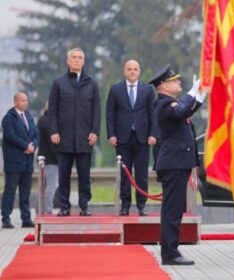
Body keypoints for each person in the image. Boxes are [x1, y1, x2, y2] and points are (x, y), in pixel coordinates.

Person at [149, 65, 206, 265]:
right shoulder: (164, 105)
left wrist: (196, 95)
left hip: (176, 163)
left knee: (174, 209)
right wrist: (195, 94)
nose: (179, 83)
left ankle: (171, 251)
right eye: (175, 81)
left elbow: (183, 109)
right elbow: (182, 110)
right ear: (164, 86)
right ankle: (170, 253)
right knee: (172, 210)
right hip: (173, 163)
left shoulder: (170, 103)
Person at [48, 47, 101, 217]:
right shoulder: (58, 82)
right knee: (64, 176)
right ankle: (64, 206)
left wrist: (95, 131)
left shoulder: (92, 83)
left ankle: (84, 205)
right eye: (74, 57)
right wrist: (54, 131)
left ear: (84, 61)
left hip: (85, 138)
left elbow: (96, 110)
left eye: (80, 57)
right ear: (68, 61)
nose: (77, 60)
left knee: (84, 177)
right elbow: (53, 109)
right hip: (63, 138)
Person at [106, 60, 158, 216]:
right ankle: (125, 205)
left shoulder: (148, 89)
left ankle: (142, 205)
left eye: (135, 69)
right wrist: (111, 134)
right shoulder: (115, 89)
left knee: (142, 173)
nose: (132, 72)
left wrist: (153, 134)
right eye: (129, 69)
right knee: (124, 174)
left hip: (142, 138)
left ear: (139, 71)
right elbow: (110, 114)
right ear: (124, 71)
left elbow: (153, 114)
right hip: (122, 138)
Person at [1, 92, 39, 228]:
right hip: (14, 163)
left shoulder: (28, 117)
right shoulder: (8, 118)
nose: (26, 103)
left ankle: (26, 219)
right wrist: (26, 146)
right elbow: (10, 137)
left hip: (27, 163)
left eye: (26, 100)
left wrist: (34, 145)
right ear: (16, 102)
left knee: (25, 193)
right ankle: (5, 219)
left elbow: (36, 134)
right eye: (23, 101)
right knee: (10, 192)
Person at [37, 102, 59, 215]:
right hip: (51, 159)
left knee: (43, 185)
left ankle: (40, 209)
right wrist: (59, 158)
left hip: (43, 158)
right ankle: (48, 210)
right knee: (51, 185)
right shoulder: (50, 122)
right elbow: (52, 144)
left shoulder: (41, 120)